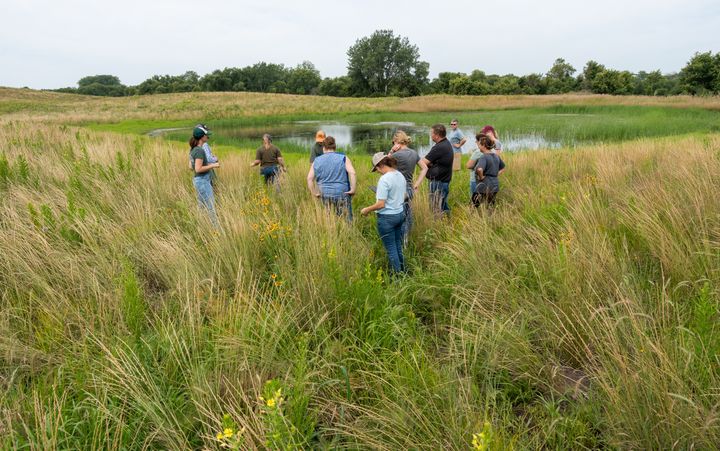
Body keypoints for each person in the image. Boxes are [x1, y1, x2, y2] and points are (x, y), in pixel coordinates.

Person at [361, 153, 407, 274]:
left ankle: (397, 278)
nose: (377, 172)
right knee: (397, 246)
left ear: (380, 165)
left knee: (391, 249)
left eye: (376, 169)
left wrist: (366, 209)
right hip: (400, 214)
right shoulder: (400, 175)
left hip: (387, 218)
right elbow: (404, 196)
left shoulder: (384, 179)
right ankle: (403, 272)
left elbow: (381, 204)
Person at [388, 130, 427, 242]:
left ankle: (400, 241)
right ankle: (407, 239)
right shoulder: (414, 153)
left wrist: (391, 151)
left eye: (393, 142)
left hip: (397, 190)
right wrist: (416, 184)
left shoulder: (395, 155)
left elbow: (381, 165)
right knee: (408, 214)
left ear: (397, 141)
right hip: (410, 188)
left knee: (398, 216)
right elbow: (425, 168)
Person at [307, 136, 357, 220]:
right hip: (341, 192)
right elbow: (352, 172)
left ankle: (330, 231)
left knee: (328, 217)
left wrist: (315, 193)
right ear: (335, 147)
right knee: (346, 218)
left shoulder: (316, 160)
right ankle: (347, 231)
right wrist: (353, 189)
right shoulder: (343, 158)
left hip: (324, 193)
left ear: (323, 148)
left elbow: (309, 178)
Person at [419, 124, 454, 216]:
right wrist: (432, 162)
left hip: (438, 182)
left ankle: (440, 227)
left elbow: (422, 162)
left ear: (437, 135)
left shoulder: (439, 147)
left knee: (436, 208)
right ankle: (448, 223)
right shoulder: (446, 143)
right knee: (442, 205)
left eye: (432, 133)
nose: (431, 135)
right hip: (443, 181)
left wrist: (430, 163)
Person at [189, 125, 220, 225]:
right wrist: (213, 165)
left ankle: (200, 226)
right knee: (211, 207)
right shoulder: (200, 150)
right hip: (203, 181)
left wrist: (207, 164)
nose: (207, 137)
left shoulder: (193, 150)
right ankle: (216, 230)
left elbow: (191, 167)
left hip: (198, 181)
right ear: (202, 137)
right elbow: (198, 169)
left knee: (201, 207)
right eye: (206, 135)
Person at [470, 133, 506, 208]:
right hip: (495, 185)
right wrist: (496, 174)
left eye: (479, 145)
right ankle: (490, 218)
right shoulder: (496, 156)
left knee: (473, 206)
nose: (479, 147)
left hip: (483, 187)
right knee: (490, 206)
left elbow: (480, 169)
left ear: (483, 146)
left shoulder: (484, 157)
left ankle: (475, 218)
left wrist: (481, 177)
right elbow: (503, 168)